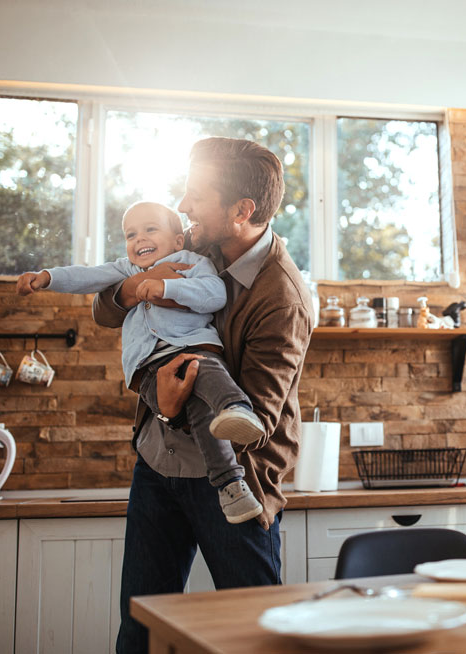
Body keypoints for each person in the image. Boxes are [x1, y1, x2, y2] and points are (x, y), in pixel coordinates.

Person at [91, 138, 314, 654]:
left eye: (196, 196)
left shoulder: (282, 298)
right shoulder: (194, 245)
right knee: (140, 633)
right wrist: (138, 289)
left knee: (255, 633)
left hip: (233, 480)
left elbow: (253, 418)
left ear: (243, 211)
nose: (183, 208)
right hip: (157, 467)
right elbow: (104, 306)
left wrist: (169, 412)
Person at [15, 201, 267, 524]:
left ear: (178, 241)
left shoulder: (192, 263)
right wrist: (47, 278)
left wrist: (166, 287)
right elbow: (87, 277)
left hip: (193, 348)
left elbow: (214, 294)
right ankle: (231, 481)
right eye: (130, 234)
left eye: (150, 229)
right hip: (147, 368)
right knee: (193, 409)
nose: (139, 239)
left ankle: (236, 429)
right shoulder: (126, 271)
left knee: (208, 389)